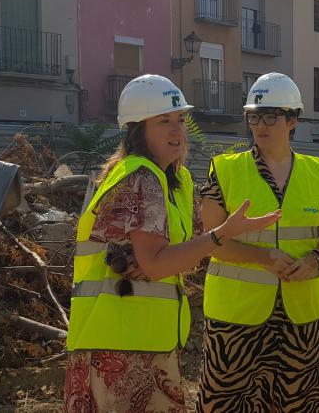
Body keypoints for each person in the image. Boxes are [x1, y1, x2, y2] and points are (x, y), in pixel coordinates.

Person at [64, 74, 280, 412]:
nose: (177, 130)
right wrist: (220, 234)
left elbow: (181, 255)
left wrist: (165, 258)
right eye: (164, 121)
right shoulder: (141, 177)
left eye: (180, 119)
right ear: (138, 129)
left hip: (145, 341)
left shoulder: (175, 182)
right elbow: (161, 261)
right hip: (118, 346)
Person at [198, 72, 319, 412]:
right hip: (235, 325)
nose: (260, 125)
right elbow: (211, 241)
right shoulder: (224, 170)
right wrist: (263, 256)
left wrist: (315, 260)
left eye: (271, 116)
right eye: (254, 116)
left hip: (301, 322)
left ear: (293, 120)